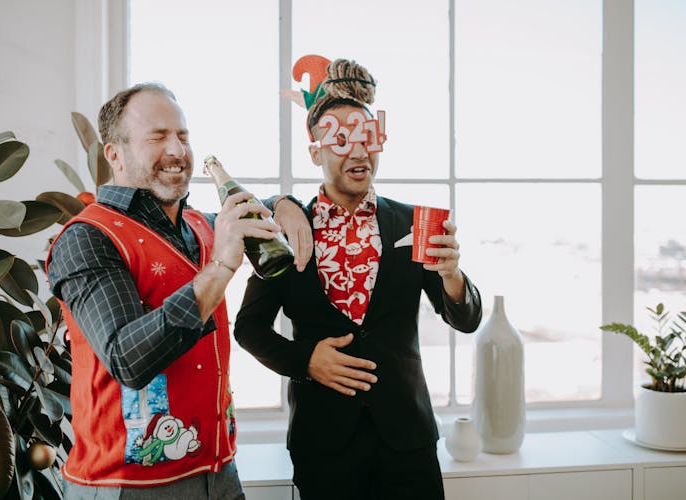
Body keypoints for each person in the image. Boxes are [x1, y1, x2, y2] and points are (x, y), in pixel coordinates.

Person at [46, 82, 311, 499]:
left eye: (183, 136)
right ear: (114, 154)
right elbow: (127, 359)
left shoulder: (201, 226)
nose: (177, 150)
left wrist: (284, 204)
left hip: (220, 473)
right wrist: (222, 266)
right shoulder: (87, 238)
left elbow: (246, 209)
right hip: (126, 485)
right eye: (157, 136)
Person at [233, 56, 483, 499]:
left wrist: (452, 276)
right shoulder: (289, 229)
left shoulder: (413, 223)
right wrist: (305, 361)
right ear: (316, 152)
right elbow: (248, 327)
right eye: (340, 138)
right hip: (324, 444)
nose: (357, 150)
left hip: (408, 441)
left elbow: (464, 319)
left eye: (368, 137)